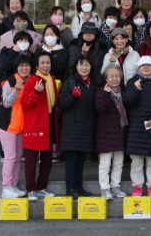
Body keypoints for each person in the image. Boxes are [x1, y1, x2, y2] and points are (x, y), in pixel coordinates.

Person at [124, 56, 151, 199]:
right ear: (138, 68)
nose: (146, 68)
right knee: (136, 161)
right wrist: (136, 90)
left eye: (149, 65)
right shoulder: (132, 82)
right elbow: (128, 102)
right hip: (136, 127)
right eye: (143, 66)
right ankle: (137, 187)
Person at [21, 51, 59, 201]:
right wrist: (35, 92)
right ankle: (31, 188)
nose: (45, 65)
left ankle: (42, 187)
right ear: (36, 65)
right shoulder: (32, 81)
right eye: (42, 63)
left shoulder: (52, 79)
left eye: (48, 62)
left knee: (47, 158)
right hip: (35, 124)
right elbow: (24, 103)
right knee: (31, 159)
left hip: (49, 122)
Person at [58, 56, 97, 199]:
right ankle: (70, 187)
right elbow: (62, 103)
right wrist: (73, 97)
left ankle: (79, 186)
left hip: (86, 127)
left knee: (81, 160)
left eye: (87, 65)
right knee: (72, 160)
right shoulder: (70, 82)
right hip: (72, 128)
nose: (84, 67)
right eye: (81, 65)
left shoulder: (93, 84)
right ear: (76, 67)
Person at [0, 54, 32, 198]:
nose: (24, 68)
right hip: (7, 125)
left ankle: (14, 186)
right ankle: (6, 187)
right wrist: (16, 90)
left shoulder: (31, 81)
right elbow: (6, 103)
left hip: (21, 126)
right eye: (21, 65)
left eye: (27, 65)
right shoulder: (9, 81)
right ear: (16, 67)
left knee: (17, 157)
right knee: (10, 157)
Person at [95, 64, 128, 200]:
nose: (114, 79)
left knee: (118, 163)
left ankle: (115, 186)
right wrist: (105, 93)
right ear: (106, 78)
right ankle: (105, 188)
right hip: (106, 133)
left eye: (117, 76)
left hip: (120, 132)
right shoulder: (101, 91)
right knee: (105, 164)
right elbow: (100, 108)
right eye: (111, 76)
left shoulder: (123, 92)